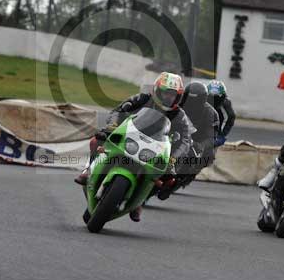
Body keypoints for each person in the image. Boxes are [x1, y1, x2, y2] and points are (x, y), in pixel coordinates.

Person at [74, 72, 194, 222]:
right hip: (130, 136)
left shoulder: (180, 115)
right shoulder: (142, 98)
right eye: (165, 93)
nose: (168, 98)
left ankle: (141, 201)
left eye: (173, 95)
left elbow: (186, 139)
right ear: (157, 90)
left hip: (156, 147)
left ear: (178, 97)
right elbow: (120, 110)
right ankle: (88, 170)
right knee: (95, 141)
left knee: (168, 177)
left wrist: (174, 157)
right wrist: (112, 127)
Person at [178, 82, 220, 174]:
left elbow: (211, 138)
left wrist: (199, 145)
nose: (190, 103)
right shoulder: (178, 105)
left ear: (202, 100)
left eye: (194, 101)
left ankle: (188, 173)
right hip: (177, 137)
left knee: (208, 154)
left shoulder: (211, 114)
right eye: (188, 99)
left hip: (196, 142)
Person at [206, 80, 236, 147]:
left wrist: (222, 135)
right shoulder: (202, 99)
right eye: (211, 96)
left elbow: (231, 117)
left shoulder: (225, 102)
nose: (214, 100)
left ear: (222, 96)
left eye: (217, 97)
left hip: (217, 132)